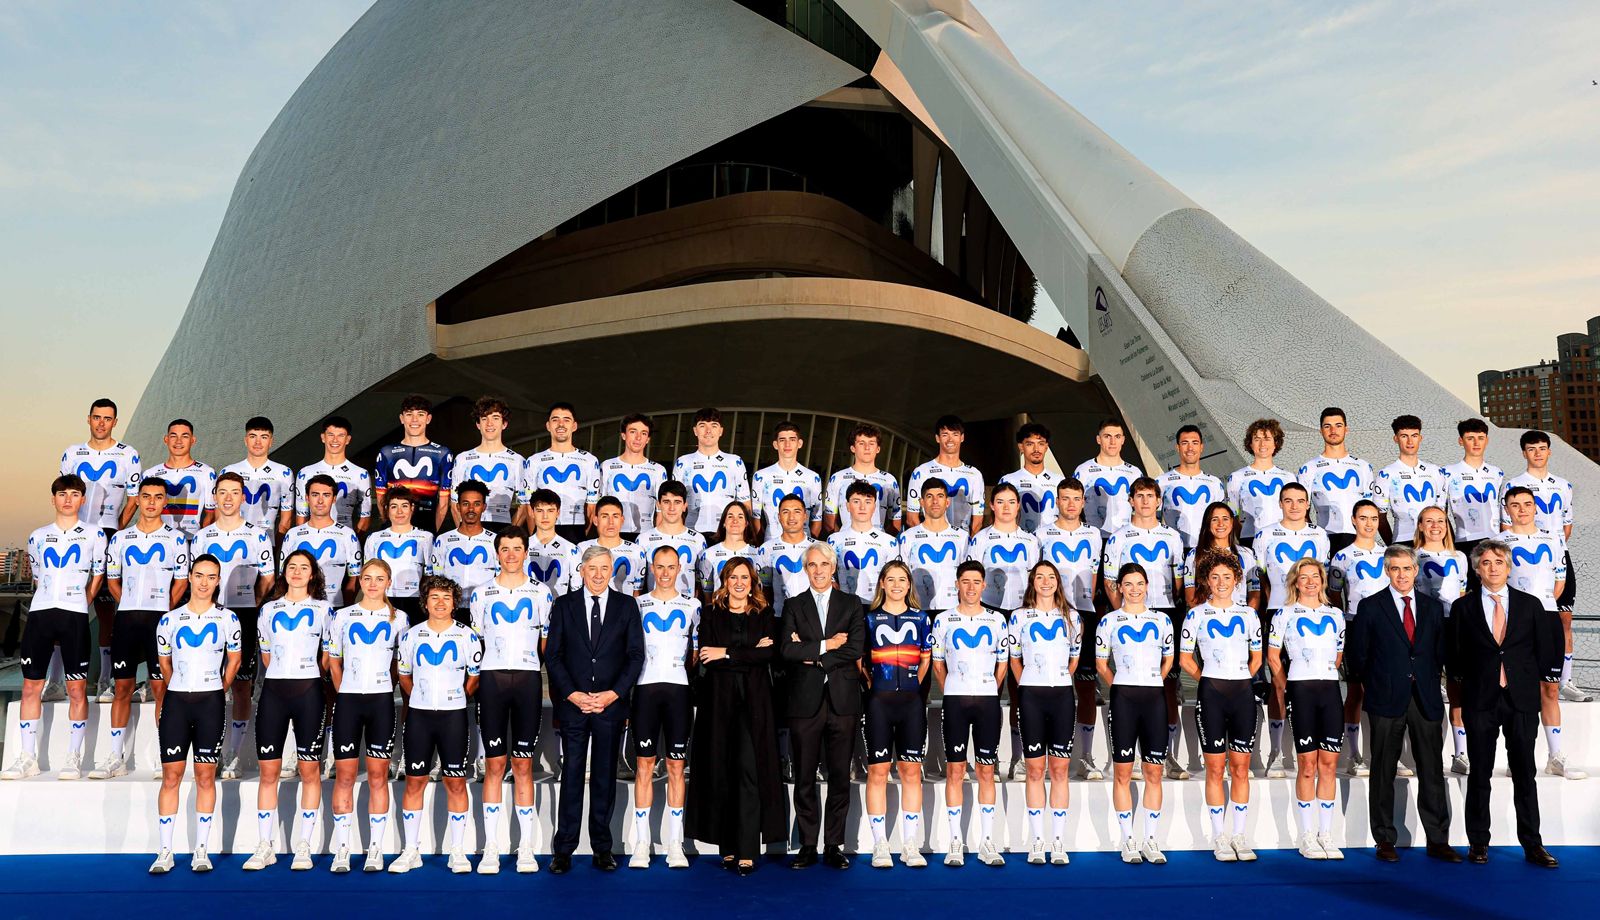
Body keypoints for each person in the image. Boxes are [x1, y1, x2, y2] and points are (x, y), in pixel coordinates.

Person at [1445, 540, 1563, 868]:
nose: (1493, 567)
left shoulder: (1530, 605)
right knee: (1479, 773)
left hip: (1521, 700)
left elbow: (1545, 647)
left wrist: (1528, 681)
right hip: (1480, 700)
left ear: (1508, 567)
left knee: (1525, 773)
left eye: (1499, 561)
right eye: (1485, 562)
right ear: (1477, 568)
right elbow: (1454, 654)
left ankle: (1533, 845)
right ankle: (1478, 843)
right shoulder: (1463, 608)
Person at [1344, 545, 1459, 864]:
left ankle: (1438, 839)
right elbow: (1358, 655)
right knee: (1382, 770)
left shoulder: (1432, 608)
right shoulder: (1370, 607)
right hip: (1385, 698)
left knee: (1432, 770)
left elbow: (1440, 653)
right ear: (1386, 570)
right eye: (1395, 569)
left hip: (1425, 697)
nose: (1402, 574)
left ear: (1415, 571)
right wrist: (1377, 682)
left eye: (1407, 569)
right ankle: (1384, 839)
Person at [545, 545, 645, 874]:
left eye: (605, 568)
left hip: (610, 707)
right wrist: (573, 694)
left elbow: (634, 657)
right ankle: (564, 850)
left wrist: (612, 694)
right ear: (582, 571)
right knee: (572, 775)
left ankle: (603, 847)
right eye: (593, 568)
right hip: (573, 707)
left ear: (613, 569)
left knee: (604, 777)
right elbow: (554, 656)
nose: (599, 574)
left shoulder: (627, 606)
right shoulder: (563, 605)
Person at [1, 475, 107, 781]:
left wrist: (83, 602)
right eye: (63, 494)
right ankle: (27, 757)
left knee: (76, 689)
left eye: (75, 494)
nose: (68, 499)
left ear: (82, 499)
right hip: (41, 613)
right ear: (54, 499)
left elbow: (97, 574)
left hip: (73, 614)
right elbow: (37, 574)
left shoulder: (94, 535)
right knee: (30, 686)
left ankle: (73, 758)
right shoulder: (37, 535)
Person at [687, 556, 786, 875]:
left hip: (755, 704)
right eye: (733, 577)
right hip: (718, 704)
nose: (739, 583)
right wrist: (749, 653)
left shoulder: (764, 613)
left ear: (753, 581)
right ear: (724, 582)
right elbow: (706, 656)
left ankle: (747, 849)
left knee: (749, 772)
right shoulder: (712, 613)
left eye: (745, 577)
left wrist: (727, 652)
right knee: (721, 771)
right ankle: (727, 849)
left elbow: (769, 654)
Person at [90, 479, 192, 781]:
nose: (150, 502)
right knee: (122, 689)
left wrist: (163, 610)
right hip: (126, 621)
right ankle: (115, 756)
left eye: (157, 497)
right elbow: (112, 581)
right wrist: (131, 603)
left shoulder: (175, 539)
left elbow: (182, 582)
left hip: (159, 622)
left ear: (165, 503)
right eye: (145, 496)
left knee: (162, 689)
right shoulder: (121, 539)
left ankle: (165, 756)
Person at [147, 555, 241, 874]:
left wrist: (217, 688)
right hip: (177, 702)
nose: (203, 582)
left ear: (218, 581)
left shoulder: (228, 619)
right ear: (189, 576)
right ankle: (165, 851)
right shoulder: (170, 620)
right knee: (171, 776)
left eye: (211, 576)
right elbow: (164, 664)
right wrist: (180, 687)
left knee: (205, 776)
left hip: (210, 703)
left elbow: (235, 661)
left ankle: (201, 850)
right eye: (198, 575)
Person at [469, 526, 553, 874]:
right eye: (505, 549)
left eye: (517, 548)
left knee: (523, 765)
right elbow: (476, 641)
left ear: (525, 551)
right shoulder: (481, 593)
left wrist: (530, 665)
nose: (511, 554)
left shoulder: (541, 593)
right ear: (497, 552)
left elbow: (545, 642)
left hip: (528, 681)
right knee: (494, 765)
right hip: (492, 681)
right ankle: (491, 848)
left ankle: (526, 849)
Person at [242, 550, 333, 871]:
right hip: (274, 693)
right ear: (284, 573)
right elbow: (266, 656)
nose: (296, 572)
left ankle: (304, 846)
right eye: (292, 567)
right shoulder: (268, 610)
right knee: (269, 773)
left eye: (303, 568)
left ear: (313, 575)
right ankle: (265, 844)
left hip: (309, 692)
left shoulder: (324, 610)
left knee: (309, 771)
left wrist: (310, 674)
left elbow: (328, 655)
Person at [388, 576, 485, 875]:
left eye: (446, 597)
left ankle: (457, 851)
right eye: (434, 597)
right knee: (414, 781)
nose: (440, 602)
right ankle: (411, 850)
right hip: (419, 716)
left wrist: (455, 697)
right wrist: (421, 696)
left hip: (453, 716)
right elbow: (404, 677)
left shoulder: (467, 636)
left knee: (455, 782)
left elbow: (474, 677)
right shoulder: (410, 636)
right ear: (425, 602)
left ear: (455, 602)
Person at [780, 542, 866, 870]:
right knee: (804, 777)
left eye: (823, 565)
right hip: (804, 703)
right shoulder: (793, 605)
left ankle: (833, 844)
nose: (818, 571)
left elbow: (855, 648)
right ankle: (806, 845)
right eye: (812, 565)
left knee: (840, 776)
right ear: (806, 569)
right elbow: (787, 650)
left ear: (833, 569)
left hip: (842, 702)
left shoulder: (851, 604)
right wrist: (827, 646)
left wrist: (813, 656)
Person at [1101, 477, 1186, 779]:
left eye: (1151, 496)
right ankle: (1128, 757)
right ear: (1131, 500)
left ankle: (1167, 755)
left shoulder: (1173, 536)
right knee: (1128, 683)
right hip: (1127, 616)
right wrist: (1122, 614)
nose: (1146, 501)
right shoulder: (1118, 537)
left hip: (1163, 613)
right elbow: (1110, 581)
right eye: (1140, 496)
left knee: (1167, 687)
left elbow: (1178, 582)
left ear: (1159, 501)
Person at [1179, 555, 1261, 862]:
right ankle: (1219, 837)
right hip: (1211, 694)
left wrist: (1239, 679)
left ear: (1237, 579)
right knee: (1215, 769)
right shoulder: (1196, 615)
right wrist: (1209, 680)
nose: (1221, 582)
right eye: (1215, 577)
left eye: (1227, 577)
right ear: (1206, 581)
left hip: (1242, 693)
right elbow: (1186, 659)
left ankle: (1239, 835)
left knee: (1240, 769)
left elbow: (1257, 658)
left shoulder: (1249, 615)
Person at [193, 471, 275, 779]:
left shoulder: (257, 534)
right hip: (209, 615)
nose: (228, 498)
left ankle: (234, 754)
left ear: (243, 497)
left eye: (234, 492)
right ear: (214, 496)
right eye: (222, 492)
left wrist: (252, 603)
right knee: (210, 683)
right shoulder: (202, 536)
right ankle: (209, 749)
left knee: (241, 686)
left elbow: (268, 576)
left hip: (244, 614)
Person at [1500, 485, 1586, 778]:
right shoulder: (1499, 542)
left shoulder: (1554, 539)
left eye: (1527, 504)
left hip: (1547, 619)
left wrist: (1541, 606)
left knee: (1549, 688)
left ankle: (1555, 756)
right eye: (1515, 505)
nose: (1522, 509)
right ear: (1507, 509)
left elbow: (1559, 582)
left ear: (1535, 507)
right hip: (1513, 623)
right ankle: (1516, 755)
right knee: (1514, 688)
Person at [325, 559, 403, 873]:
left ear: (389, 581)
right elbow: (333, 661)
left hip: (381, 703)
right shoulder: (342, 616)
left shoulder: (401, 619)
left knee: (377, 776)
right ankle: (342, 849)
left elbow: (401, 664)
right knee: (343, 776)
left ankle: (375, 849)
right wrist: (346, 691)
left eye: (379, 578)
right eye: (367, 578)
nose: (372, 584)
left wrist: (386, 685)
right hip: (348, 703)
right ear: (360, 582)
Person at [60, 398, 141, 700]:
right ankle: (56, 679)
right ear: (89, 419)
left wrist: (116, 529)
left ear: (115, 422)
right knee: (65, 606)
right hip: (75, 535)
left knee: (106, 611)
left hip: (107, 533)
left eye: (107, 418)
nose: (101, 423)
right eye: (97, 417)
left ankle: (106, 678)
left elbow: (134, 498)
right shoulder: (71, 453)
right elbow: (63, 493)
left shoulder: (127, 455)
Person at [1267, 559, 1346, 861]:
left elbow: (1338, 656)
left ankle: (1325, 834)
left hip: (1329, 690)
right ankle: (1306, 835)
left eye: (1316, 577)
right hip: (1300, 690)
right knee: (1308, 765)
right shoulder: (1284, 614)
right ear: (1295, 582)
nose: (1311, 582)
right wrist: (1289, 686)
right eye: (1304, 577)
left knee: (1328, 764)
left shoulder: (1335, 615)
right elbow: (1273, 657)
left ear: (1323, 581)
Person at [930, 560, 1008, 867]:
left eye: (977, 582)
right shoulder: (944, 620)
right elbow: (938, 664)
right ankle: (955, 842)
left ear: (984, 586)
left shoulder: (997, 620)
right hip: (955, 701)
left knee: (987, 771)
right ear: (957, 584)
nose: (971, 587)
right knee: (955, 770)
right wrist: (953, 686)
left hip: (988, 701)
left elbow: (1003, 664)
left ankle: (987, 841)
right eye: (966, 581)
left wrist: (990, 688)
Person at [1096, 563, 1175, 865]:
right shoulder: (1109, 622)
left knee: (1154, 771)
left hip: (1154, 697)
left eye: (1139, 583)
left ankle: (1151, 840)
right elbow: (1102, 664)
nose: (1134, 589)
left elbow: (1168, 660)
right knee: (1123, 772)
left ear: (1147, 585)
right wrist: (1121, 687)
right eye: (1127, 584)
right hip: (1124, 699)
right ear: (1119, 588)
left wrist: (1153, 679)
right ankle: (1128, 839)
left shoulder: (1162, 620)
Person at [628, 546, 700, 869]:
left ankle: (675, 843)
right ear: (652, 568)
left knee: (675, 766)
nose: (666, 572)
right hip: (644, 690)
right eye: (660, 566)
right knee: (644, 765)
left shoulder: (694, 605)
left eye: (672, 566)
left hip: (679, 691)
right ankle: (641, 842)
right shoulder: (637, 604)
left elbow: (695, 655)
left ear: (679, 567)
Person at [1503, 430, 1588, 704]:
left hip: (1556, 556)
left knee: (1563, 620)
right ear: (1523, 453)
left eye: (1542, 448)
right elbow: (1506, 526)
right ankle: (1520, 675)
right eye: (1531, 449)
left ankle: (1566, 681)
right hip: (1523, 561)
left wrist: (1552, 548)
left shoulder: (1563, 485)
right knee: (1518, 618)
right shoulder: (1513, 484)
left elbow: (1567, 526)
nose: (1537, 453)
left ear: (1550, 451)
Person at [1254, 482, 1331, 777]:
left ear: (1308, 504)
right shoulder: (1265, 535)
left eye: (1300, 501)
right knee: (1277, 682)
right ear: (1281, 503)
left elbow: (1317, 575)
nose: (1295, 506)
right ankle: (1276, 751)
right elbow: (1261, 577)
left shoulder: (1319, 535)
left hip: (1312, 613)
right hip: (1277, 610)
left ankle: (1312, 749)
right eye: (1289, 500)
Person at [1008, 561, 1081, 865]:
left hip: (1062, 695)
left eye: (1051, 577)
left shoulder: (1073, 618)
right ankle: (1038, 841)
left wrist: (1060, 678)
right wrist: (1029, 683)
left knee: (1060, 770)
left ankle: (1058, 841)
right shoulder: (1018, 617)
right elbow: (1014, 660)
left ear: (1057, 582)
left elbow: (1074, 659)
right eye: (1040, 577)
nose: (1046, 582)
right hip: (1031, 697)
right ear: (1032, 582)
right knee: (1035, 770)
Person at [860, 560, 932, 868]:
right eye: (891, 579)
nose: (897, 584)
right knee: (878, 772)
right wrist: (874, 687)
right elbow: (860, 661)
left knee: (911, 772)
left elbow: (926, 659)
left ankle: (910, 844)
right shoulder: (869, 619)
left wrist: (913, 685)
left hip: (911, 704)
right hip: (879, 702)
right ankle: (880, 845)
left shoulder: (922, 618)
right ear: (882, 584)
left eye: (902, 579)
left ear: (909, 585)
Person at [969, 482, 1041, 780]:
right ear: (992, 506)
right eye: (1001, 501)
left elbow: (1039, 582)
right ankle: (989, 757)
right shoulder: (980, 539)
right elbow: (972, 579)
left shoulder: (1031, 541)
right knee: (991, 690)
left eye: (1012, 501)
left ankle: (1020, 757)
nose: (1007, 507)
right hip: (991, 615)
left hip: (1022, 615)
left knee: (1020, 689)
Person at [1035, 479, 1106, 780]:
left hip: (1084, 614)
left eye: (1076, 498)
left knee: (1086, 686)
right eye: (1065, 498)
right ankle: (1043, 755)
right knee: (1046, 685)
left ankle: (1086, 756)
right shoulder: (1041, 534)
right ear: (1057, 501)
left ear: (1083, 502)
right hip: (1049, 616)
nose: (1071, 504)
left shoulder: (1094, 534)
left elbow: (1094, 577)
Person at [1328, 499, 1390, 776]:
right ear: (1353, 520)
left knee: (1388, 691)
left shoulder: (1389, 554)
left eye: (1374, 518)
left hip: (1387, 630)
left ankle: (1388, 754)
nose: (1369, 523)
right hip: (1355, 627)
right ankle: (1354, 754)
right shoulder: (1342, 556)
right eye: (1363, 518)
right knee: (1356, 691)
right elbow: (1333, 595)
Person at [1415, 505, 1472, 774]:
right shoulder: (1412, 556)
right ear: (1420, 526)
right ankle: (1427, 753)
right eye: (1429, 521)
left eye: (1440, 521)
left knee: (1457, 688)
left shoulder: (1459, 557)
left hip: (1453, 626)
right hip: (1424, 626)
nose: (1435, 526)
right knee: (1426, 690)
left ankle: (1460, 753)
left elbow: (1461, 594)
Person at [1297, 407, 1374, 556]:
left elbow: (1369, 508)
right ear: (1321, 430)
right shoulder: (1309, 468)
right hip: (1325, 539)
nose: (1333, 430)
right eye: (1327, 426)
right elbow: (1301, 510)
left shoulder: (1363, 467)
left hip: (1358, 539)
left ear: (1346, 429)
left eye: (1338, 425)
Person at [372, 396, 455, 532]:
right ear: (401, 418)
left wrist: (434, 532)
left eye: (420, 414)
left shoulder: (442, 453)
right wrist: (388, 524)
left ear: (428, 419)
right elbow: (381, 497)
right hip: (394, 524)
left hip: (427, 522)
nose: (414, 420)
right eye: (409, 414)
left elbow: (444, 503)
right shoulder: (387, 452)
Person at [522, 402, 601, 544]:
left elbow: (591, 508)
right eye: (555, 419)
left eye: (566, 420)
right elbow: (529, 508)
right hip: (542, 531)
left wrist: (581, 536)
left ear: (574, 426)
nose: (560, 424)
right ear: (548, 426)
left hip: (576, 532)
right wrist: (535, 539)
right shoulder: (534, 461)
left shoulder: (589, 460)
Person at [281, 475, 361, 607]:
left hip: (335, 606)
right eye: (315, 494)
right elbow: (283, 576)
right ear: (307, 498)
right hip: (297, 607)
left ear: (334, 499)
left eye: (326, 495)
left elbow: (355, 578)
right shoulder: (293, 534)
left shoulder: (347, 534)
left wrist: (343, 610)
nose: (320, 501)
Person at [450, 396, 526, 533]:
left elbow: (524, 504)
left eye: (495, 418)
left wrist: (508, 535)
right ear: (478, 424)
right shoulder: (462, 459)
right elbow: (454, 503)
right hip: (469, 526)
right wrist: (463, 533)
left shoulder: (518, 460)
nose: (489, 424)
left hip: (502, 526)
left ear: (504, 424)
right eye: (484, 418)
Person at [363, 486, 435, 627]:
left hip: (414, 602)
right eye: (394, 506)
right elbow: (366, 574)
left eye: (404, 506)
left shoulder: (426, 537)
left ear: (412, 508)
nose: (399, 511)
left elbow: (431, 575)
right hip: (382, 599)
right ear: (387, 509)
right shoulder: (374, 538)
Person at [1371, 415, 1447, 547]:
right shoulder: (1386, 474)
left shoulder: (1435, 471)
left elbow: (1442, 514)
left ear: (1420, 438)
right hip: (1403, 541)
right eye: (1404, 436)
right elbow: (1380, 518)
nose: (1410, 441)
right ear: (1396, 438)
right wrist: (1393, 546)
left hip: (1433, 541)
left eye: (1414, 435)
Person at [672, 407, 751, 535]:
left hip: (726, 533)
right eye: (702, 425)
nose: (708, 431)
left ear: (721, 431)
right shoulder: (683, 462)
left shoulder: (734, 462)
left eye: (714, 425)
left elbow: (746, 504)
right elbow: (674, 503)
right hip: (691, 532)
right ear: (695, 431)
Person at [1442, 418, 1503, 584]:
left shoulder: (1497, 473)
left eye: (1481, 438)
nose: (1476, 443)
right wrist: (1450, 546)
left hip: (1494, 541)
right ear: (1461, 441)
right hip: (1465, 543)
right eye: (1470, 438)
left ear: (1487, 440)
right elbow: (1442, 513)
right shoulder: (1448, 472)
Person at [897, 478, 966, 615]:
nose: (935, 501)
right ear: (921, 502)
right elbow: (900, 575)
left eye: (940, 496)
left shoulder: (962, 537)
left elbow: (967, 575)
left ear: (947, 502)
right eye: (929, 496)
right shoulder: (907, 537)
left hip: (952, 609)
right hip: (917, 609)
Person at [432, 481, 499, 622]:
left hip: (485, 609)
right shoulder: (443, 540)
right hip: (451, 610)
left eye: (476, 504)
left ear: (484, 507)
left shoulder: (495, 540)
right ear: (458, 507)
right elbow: (435, 579)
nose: (471, 509)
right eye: (465, 503)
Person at [294, 416, 373, 536]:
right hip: (312, 541)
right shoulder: (305, 473)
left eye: (341, 435)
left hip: (345, 543)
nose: (335, 440)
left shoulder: (360, 474)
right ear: (323, 437)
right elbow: (301, 516)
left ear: (348, 439)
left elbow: (365, 518)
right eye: (331, 435)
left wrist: (352, 543)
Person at [906, 415, 986, 531]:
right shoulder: (922, 472)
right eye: (945, 435)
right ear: (937, 438)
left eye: (955, 434)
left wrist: (968, 546)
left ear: (962, 437)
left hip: (963, 544)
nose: (950, 440)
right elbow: (911, 518)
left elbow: (978, 521)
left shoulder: (974, 474)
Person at [138, 419, 217, 536]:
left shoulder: (207, 472)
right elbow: (143, 512)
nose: (178, 441)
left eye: (185, 436)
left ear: (193, 440)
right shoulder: (150, 473)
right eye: (173, 436)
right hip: (157, 537)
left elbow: (211, 514)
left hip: (190, 538)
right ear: (166, 439)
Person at [222, 416, 295, 537]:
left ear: (271, 441)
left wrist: (274, 548)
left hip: (266, 542)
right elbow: (219, 512)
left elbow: (286, 519)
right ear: (245, 440)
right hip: (230, 540)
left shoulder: (283, 472)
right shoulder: (229, 470)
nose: (258, 442)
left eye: (264, 437)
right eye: (253, 436)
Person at [823, 423, 901, 535]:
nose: (867, 448)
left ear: (878, 448)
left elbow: (896, 523)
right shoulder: (838, 478)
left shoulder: (889, 480)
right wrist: (842, 539)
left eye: (871, 443)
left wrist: (881, 541)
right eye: (861, 443)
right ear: (853, 448)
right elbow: (829, 522)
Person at [600, 413, 668, 541]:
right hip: (613, 534)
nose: (638, 438)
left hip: (645, 535)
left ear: (648, 439)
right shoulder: (607, 466)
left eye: (643, 433)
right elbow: (599, 505)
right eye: (633, 432)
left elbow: (661, 512)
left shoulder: (658, 470)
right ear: (623, 435)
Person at [752, 420, 823, 541]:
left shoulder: (812, 477)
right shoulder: (761, 476)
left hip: (804, 544)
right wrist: (763, 544)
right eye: (782, 440)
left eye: (792, 439)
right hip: (771, 541)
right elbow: (755, 517)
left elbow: (817, 519)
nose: (787, 444)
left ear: (800, 443)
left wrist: (809, 543)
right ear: (775, 444)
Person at [1226, 418, 1292, 549]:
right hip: (1250, 539)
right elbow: (1232, 515)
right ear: (1250, 444)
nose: (1262, 444)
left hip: (1284, 538)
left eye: (1267, 439)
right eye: (1257, 439)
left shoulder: (1289, 477)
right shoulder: (1237, 477)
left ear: (1276, 443)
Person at [829, 480, 898, 605]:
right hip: (844, 608)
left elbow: (894, 579)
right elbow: (829, 576)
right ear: (847, 506)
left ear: (874, 506)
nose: (862, 507)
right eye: (856, 501)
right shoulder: (834, 540)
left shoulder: (889, 542)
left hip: (877, 607)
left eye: (868, 502)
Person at [1181, 502, 1260, 610]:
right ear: (1208, 524)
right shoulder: (1194, 555)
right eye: (1214, 519)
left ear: (1232, 522)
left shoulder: (1247, 554)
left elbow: (1255, 594)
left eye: (1225, 519)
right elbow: (1190, 596)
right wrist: (1206, 616)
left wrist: (1246, 617)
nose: (1220, 524)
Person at [1158, 425, 1225, 550]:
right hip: (1174, 550)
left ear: (1201, 447)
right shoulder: (1162, 481)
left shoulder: (1214, 483)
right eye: (1185, 443)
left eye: (1195, 443)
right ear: (1177, 447)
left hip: (1207, 549)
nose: (1190, 448)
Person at [1073, 418, 1142, 537]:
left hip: (1125, 539)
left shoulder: (1134, 472)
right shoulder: (1083, 470)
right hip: (1093, 538)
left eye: (1117, 436)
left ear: (1123, 440)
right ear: (1098, 439)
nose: (1113, 442)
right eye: (1107, 436)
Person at [637, 481, 706, 598]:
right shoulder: (643, 539)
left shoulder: (698, 540)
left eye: (677, 502)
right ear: (658, 505)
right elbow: (638, 584)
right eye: (666, 502)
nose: (672, 508)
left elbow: (702, 583)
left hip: (687, 610)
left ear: (685, 506)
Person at [759, 494, 818, 614]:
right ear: (779, 517)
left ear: (805, 516)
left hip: (813, 618)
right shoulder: (767, 548)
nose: (791, 517)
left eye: (797, 511)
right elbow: (765, 589)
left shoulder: (819, 547)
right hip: (780, 617)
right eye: (786, 512)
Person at [578, 496, 648, 596]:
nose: (610, 522)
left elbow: (636, 592)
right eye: (605, 516)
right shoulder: (582, 549)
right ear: (595, 520)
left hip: (624, 609)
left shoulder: (637, 551)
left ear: (622, 520)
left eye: (615, 516)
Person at [1001, 422, 1062, 533]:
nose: (1036, 449)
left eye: (1041, 443)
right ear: (1021, 447)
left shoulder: (1059, 480)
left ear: (1046, 447)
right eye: (1030, 444)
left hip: (1052, 543)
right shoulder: (1008, 480)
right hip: (1022, 543)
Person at [525, 488, 583, 595]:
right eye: (539, 511)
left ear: (558, 513)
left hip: (559, 609)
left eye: (550, 511)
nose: (545, 516)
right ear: (532, 512)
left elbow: (577, 592)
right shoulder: (521, 547)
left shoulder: (571, 549)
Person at [698, 501, 758, 602]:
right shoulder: (708, 554)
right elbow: (707, 596)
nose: (735, 520)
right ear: (724, 523)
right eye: (730, 516)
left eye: (740, 517)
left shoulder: (758, 553)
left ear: (747, 523)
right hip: (719, 614)